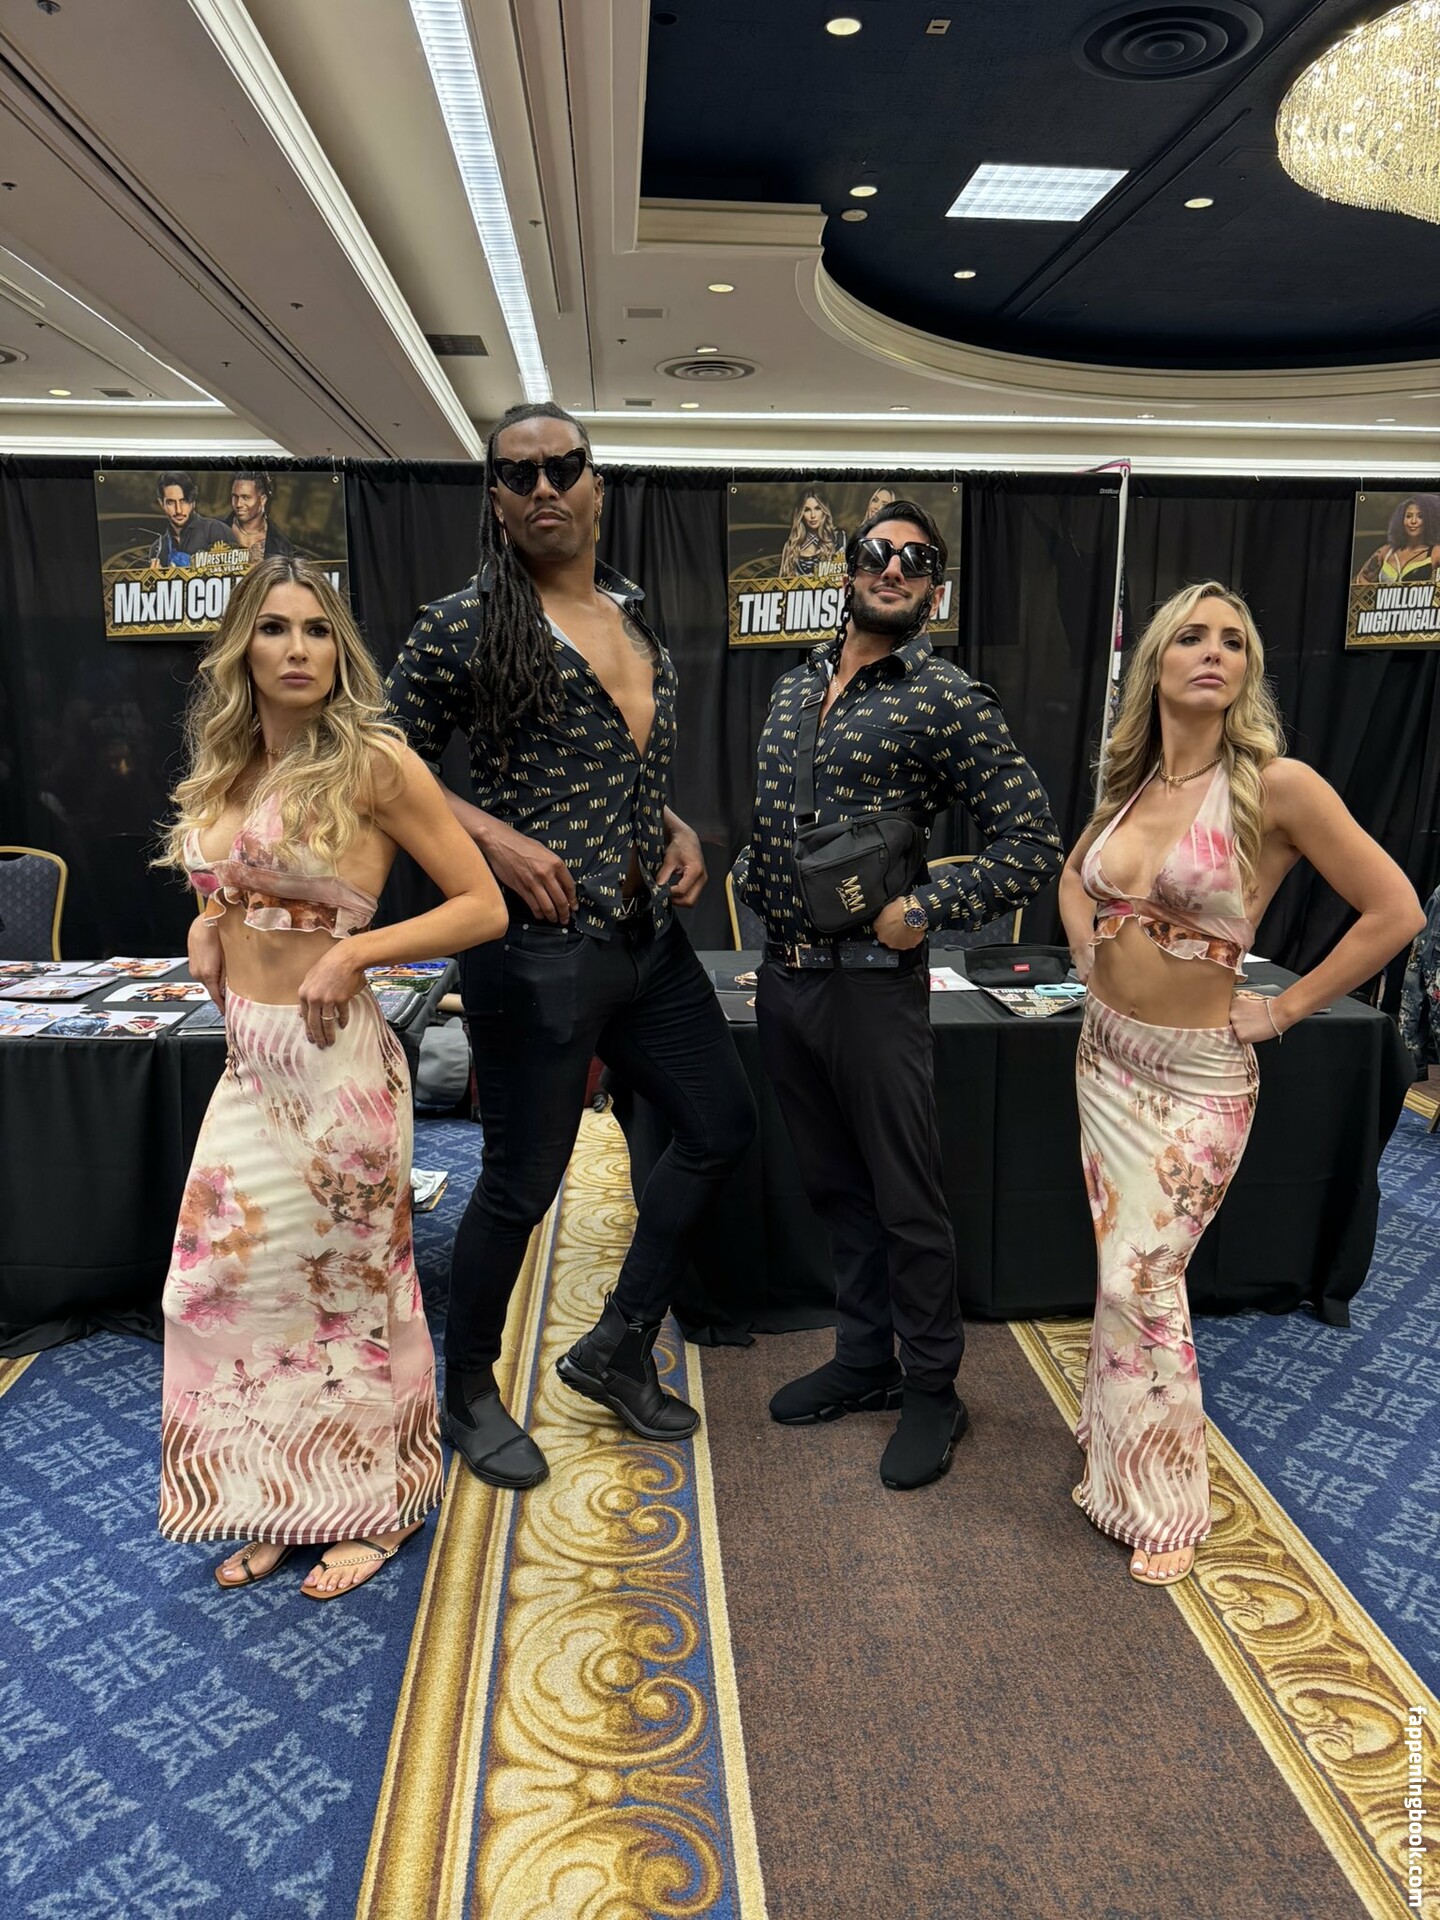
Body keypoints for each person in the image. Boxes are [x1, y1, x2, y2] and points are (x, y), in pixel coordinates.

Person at [384, 402, 755, 1491]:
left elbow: (619, 759)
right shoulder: (461, 625)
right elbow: (380, 762)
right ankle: (467, 1390)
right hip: (538, 949)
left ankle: (616, 1345)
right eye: (519, 474)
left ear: (598, 483)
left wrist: (673, 822)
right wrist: (490, 839)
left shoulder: (630, 608)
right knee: (520, 1183)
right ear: (495, 498)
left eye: (564, 467)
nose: (544, 487)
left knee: (720, 1125)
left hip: (647, 936)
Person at [1058, 579, 1423, 1586]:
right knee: (1118, 1268)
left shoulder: (1277, 783)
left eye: (1233, 639)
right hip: (1106, 1058)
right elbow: (1077, 875)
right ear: (1157, 665)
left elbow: (1395, 911)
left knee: (1142, 1276)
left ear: (1248, 669)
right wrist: (1090, 954)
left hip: (1197, 1077)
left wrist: (1283, 1008)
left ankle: (1166, 1497)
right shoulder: (1134, 780)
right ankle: (1111, 1437)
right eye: (1191, 636)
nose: (1214, 651)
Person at [157, 555, 506, 1598]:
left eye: (317, 629)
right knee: (221, 1290)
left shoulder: (374, 760)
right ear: (242, 648)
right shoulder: (229, 763)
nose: (297, 649)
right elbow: (234, 881)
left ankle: (374, 1509)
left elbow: (482, 907)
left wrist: (357, 953)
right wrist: (207, 920)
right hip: (249, 1066)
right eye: (274, 628)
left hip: (337, 1071)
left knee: (349, 1298)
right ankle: (276, 1496)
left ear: (340, 649)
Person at [742, 499, 1064, 1489]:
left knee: (905, 1200)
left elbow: (1032, 843)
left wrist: (926, 907)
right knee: (835, 1189)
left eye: (917, 561)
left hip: (876, 992)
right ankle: (862, 1359)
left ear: (935, 590)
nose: (895, 569)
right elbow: (777, 824)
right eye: (879, 552)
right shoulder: (793, 686)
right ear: (848, 567)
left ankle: (931, 1388)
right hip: (787, 982)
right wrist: (761, 887)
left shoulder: (946, 697)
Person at [148, 471, 238, 568]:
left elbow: (239, 572)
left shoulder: (216, 530)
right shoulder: (157, 549)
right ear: (161, 503)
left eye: (184, 501)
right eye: (171, 502)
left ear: (193, 501)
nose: (178, 510)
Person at [227, 471, 297, 560]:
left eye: (245, 497)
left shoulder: (281, 546)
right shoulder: (215, 530)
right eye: (235, 497)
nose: (238, 504)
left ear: (263, 500)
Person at [779, 491, 843, 580]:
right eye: (807, 510)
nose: (813, 515)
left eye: (817, 508)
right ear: (801, 514)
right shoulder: (790, 546)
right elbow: (782, 582)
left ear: (824, 511)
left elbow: (845, 578)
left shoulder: (838, 538)